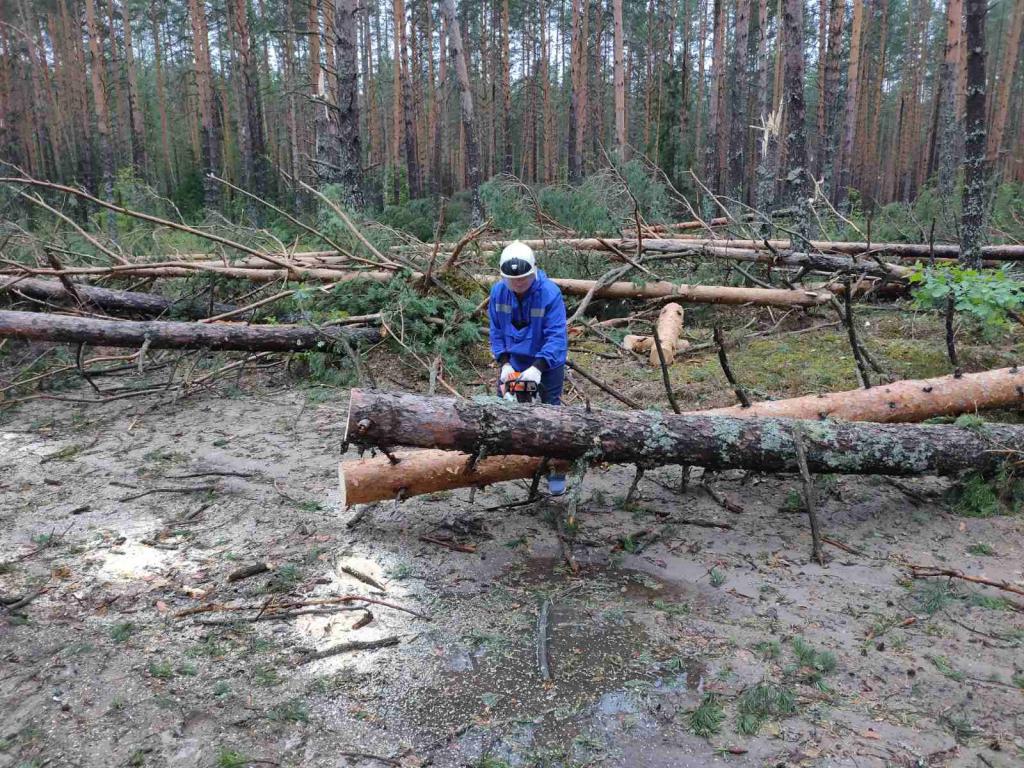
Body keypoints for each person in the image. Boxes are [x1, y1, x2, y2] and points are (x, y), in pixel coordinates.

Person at [488, 240, 569, 495]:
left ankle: (556, 468)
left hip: (547, 361)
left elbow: (556, 336)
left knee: (550, 413)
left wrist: (538, 367)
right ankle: (512, 463)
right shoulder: (498, 293)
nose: (519, 285)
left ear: (534, 271)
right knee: (505, 409)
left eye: (523, 279)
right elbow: (496, 331)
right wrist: (504, 363)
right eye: (513, 281)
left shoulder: (549, 293)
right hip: (514, 359)